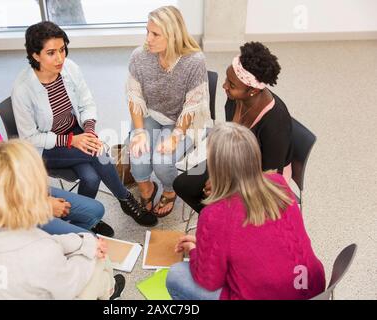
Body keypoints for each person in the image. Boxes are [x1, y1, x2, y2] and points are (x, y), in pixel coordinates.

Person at [12, 21, 157, 227]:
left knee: (91, 178)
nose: (60, 58)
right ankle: (125, 199)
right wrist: (73, 140)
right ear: (35, 55)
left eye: (62, 50)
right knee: (98, 152)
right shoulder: (23, 89)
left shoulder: (69, 68)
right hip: (45, 148)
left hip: (75, 134)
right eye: (51, 53)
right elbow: (29, 138)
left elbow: (87, 103)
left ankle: (84, 220)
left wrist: (87, 132)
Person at [166, 123, 325, 300]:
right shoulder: (278, 183)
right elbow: (251, 242)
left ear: (215, 168)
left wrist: (195, 251)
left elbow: (208, 280)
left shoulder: (214, 215)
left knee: (176, 275)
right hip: (313, 289)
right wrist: (206, 245)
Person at [0, 83, 111, 236]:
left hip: (25, 191)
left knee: (96, 211)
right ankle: (56, 247)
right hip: (11, 215)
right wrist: (42, 207)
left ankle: (58, 244)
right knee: (88, 240)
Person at [0, 139, 125, 299]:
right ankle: (109, 293)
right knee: (99, 262)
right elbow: (71, 281)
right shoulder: (40, 252)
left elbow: (44, 246)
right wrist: (89, 247)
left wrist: (83, 242)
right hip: (55, 285)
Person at [174, 41, 293, 213]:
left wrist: (227, 185)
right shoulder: (235, 99)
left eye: (231, 85)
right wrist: (220, 177)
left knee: (221, 203)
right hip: (235, 159)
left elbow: (270, 175)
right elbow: (232, 139)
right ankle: (218, 219)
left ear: (252, 90)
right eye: (226, 80)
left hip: (261, 178)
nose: (224, 87)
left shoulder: (275, 122)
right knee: (183, 185)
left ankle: (224, 221)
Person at [127, 6, 210, 217]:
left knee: (163, 163)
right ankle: (147, 188)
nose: (148, 39)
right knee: (138, 157)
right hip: (151, 113)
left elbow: (193, 105)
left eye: (155, 34)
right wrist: (139, 132)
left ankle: (170, 190)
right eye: (147, 31)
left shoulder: (194, 61)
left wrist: (175, 136)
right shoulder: (139, 56)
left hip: (182, 120)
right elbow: (134, 96)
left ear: (173, 35)